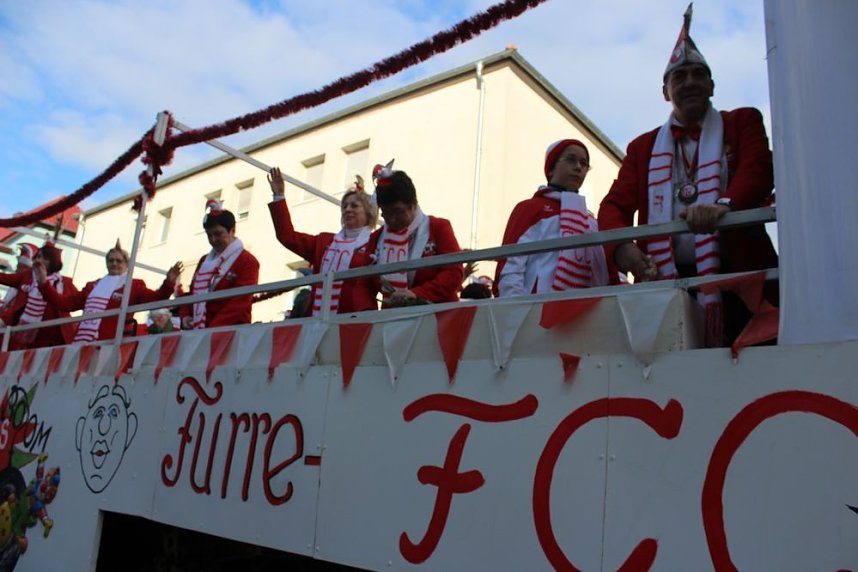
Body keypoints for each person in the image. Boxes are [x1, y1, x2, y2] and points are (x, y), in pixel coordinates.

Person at [597, 4, 777, 345]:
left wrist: (724, 204)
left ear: (712, 85)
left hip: (742, 278)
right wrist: (623, 249)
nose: (690, 82)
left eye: (698, 74)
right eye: (679, 76)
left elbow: (758, 170)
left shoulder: (742, 122)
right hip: (665, 283)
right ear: (665, 92)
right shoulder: (643, 147)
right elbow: (614, 206)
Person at [495, 139, 610, 297]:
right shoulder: (530, 208)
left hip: (585, 312)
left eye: (584, 164)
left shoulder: (590, 221)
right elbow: (511, 265)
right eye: (571, 160)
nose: (578, 168)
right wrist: (516, 309)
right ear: (551, 169)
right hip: (537, 311)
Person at [268, 167, 378, 315]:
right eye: (344, 206)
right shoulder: (324, 241)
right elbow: (287, 236)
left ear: (368, 212)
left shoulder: (375, 243)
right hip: (315, 323)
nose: (347, 209)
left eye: (354, 205)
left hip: (354, 323)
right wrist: (279, 195)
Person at [37, 241, 182, 342]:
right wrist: (43, 283)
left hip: (111, 345)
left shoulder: (133, 285)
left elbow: (156, 299)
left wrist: (168, 283)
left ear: (126, 264)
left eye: (119, 261)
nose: (114, 263)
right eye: (111, 260)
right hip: (81, 343)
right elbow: (63, 303)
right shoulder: (92, 286)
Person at [367, 165, 463, 307]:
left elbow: (454, 272)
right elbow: (364, 283)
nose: (392, 219)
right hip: (392, 319)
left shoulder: (438, 227)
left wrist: (417, 294)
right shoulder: (376, 238)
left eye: (398, 212)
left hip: (439, 317)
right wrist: (367, 315)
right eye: (386, 213)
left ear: (414, 204)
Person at [180, 200, 259, 329]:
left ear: (232, 231)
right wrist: (186, 317)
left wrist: (211, 329)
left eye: (218, 234)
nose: (213, 240)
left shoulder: (248, 261)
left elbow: (239, 302)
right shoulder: (203, 260)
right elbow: (192, 294)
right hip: (200, 332)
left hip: (230, 333)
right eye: (208, 235)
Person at [0, 242, 78, 350]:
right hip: (23, 334)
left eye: (41, 257)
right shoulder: (27, 275)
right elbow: (5, 278)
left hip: (52, 338)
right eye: (36, 257)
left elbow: (77, 302)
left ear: (51, 261)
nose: (37, 260)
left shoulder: (64, 283)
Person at [0, 244, 37, 328]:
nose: (16, 268)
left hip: (12, 326)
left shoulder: (29, 285)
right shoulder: (15, 287)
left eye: (19, 266)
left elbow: (16, 308)